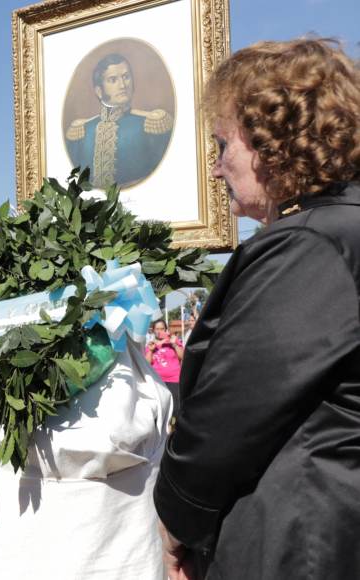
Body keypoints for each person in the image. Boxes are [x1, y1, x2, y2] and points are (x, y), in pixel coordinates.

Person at [155, 38, 360, 580]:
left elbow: (231, 412)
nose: (219, 168)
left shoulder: (311, 246)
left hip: (300, 538)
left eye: (223, 144)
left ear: (273, 140)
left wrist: (177, 518)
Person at [66, 53, 173, 189]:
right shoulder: (81, 131)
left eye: (126, 77)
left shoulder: (152, 125)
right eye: (113, 80)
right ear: (99, 91)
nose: (123, 85)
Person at [145, 319, 183, 409]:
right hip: (157, 381)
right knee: (160, 408)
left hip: (174, 380)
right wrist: (150, 350)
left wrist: (174, 345)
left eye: (162, 329)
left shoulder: (173, 340)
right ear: (153, 330)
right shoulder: (150, 345)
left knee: (175, 408)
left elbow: (182, 356)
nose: (159, 331)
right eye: (157, 329)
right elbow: (147, 363)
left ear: (166, 329)